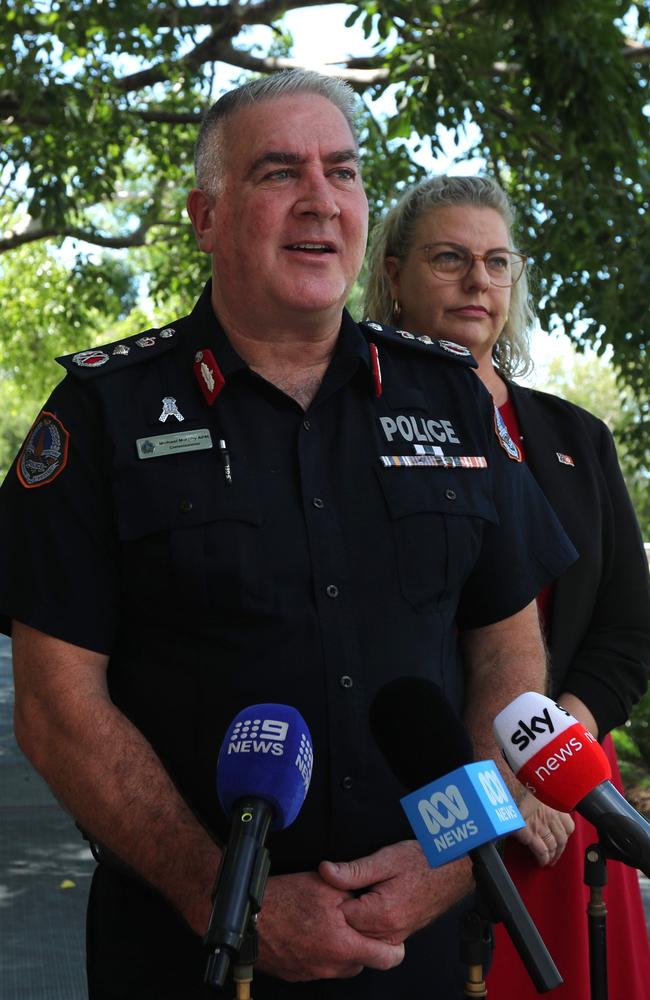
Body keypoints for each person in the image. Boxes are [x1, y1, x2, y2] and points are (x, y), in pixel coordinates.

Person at [0, 74, 577, 1000]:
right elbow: (55, 705)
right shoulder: (100, 415)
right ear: (205, 217)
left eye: (342, 172)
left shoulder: (451, 398)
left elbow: (507, 649)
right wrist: (220, 893)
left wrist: (452, 856)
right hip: (186, 951)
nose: (320, 198)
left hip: (414, 950)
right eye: (279, 172)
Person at [363, 172, 650, 997]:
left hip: (569, 811)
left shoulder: (575, 437)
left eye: (496, 263)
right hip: (426, 813)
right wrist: (499, 786)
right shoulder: (347, 424)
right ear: (393, 274)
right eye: (449, 258)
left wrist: (547, 762)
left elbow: (628, 635)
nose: (477, 281)